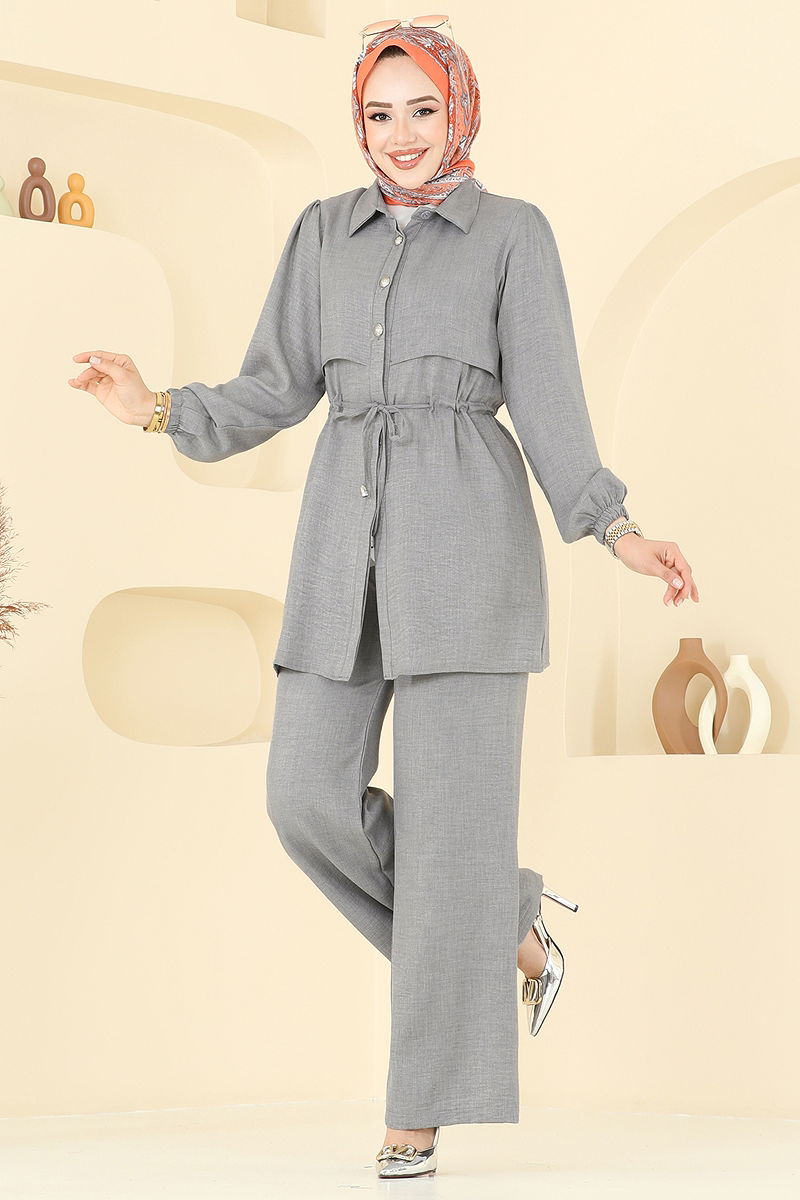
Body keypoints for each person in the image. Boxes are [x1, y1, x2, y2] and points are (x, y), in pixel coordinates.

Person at [67, 16, 699, 1182]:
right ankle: (504, 922)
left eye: (421, 110)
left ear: (458, 110)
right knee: (301, 796)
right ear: (356, 121)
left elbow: (551, 406)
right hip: (338, 555)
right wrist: (154, 407)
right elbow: (272, 388)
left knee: (452, 837)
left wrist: (616, 530)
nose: (401, 135)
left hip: (469, 559)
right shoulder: (322, 232)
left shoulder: (512, 234)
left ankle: (420, 1106)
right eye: (378, 113)